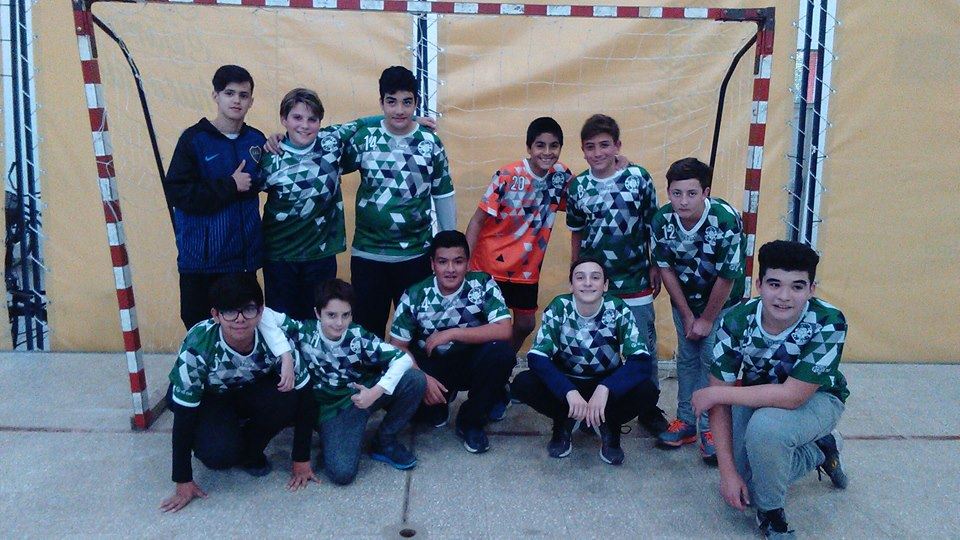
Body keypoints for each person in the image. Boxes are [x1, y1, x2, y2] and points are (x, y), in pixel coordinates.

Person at [692, 240, 849, 538]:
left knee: (766, 431)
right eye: (774, 284)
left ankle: (772, 515)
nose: (784, 296)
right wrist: (727, 474)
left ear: (811, 289)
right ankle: (821, 449)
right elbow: (719, 404)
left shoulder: (828, 321)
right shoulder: (736, 320)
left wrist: (717, 393)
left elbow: (793, 396)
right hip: (756, 397)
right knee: (746, 484)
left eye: (797, 287)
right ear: (759, 284)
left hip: (818, 398)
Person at [160, 273, 312, 513]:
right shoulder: (198, 345)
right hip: (210, 396)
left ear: (260, 312)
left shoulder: (278, 341)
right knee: (218, 456)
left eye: (248, 310)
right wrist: (182, 479)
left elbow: (305, 395)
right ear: (216, 315)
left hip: (249, 388)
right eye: (230, 311)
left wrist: (301, 459)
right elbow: (184, 415)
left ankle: (250, 450)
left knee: (288, 396)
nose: (240, 319)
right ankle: (218, 434)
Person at [261, 279, 426, 486]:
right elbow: (264, 313)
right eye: (331, 315)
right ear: (317, 313)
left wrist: (374, 392)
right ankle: (335, 435)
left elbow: (403, 359)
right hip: (331, 410)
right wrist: (285, 354)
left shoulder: (358, 336)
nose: (339, 323)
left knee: (415, 379)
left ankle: (384, 440)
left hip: (361, 394)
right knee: (342, 473)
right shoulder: (305, 332)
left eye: (345, 315)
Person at [565, 113, 667, 435]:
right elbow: (577, 232)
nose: (598, 153)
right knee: (595, 345)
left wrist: (655, 264)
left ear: (617, 146)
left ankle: (648, 408)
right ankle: (592, 409)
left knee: (643, 348)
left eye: (604, 145)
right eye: (590, 147)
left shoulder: (638, 178)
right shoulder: (579, 186)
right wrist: (576, 270)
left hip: (634, 278)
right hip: (595, 283)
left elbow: (652, 224)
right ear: (583, 150)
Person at [511, 257, 661, 465]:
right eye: (580, 278)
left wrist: (607, 387)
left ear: (605, 285)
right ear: (571, 285)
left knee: (648, 390)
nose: (588, 283)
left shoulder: (618, 308)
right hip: (568, 382)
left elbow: (641, 360)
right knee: (523, 383)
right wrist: (567, 391)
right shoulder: (559, 307)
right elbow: (537, 357)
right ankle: (564, 420)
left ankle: (609, 425)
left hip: (605, 384)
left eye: (595, 277)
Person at [344, 66, 456, 338]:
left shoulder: (430, 142)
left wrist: (449, 244)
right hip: (368, 254)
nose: (399, 110)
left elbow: (443, 192)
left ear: (416, 102)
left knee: (415, 334)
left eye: (407, 102)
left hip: (415, 256)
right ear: (381, 102)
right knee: (368, 335)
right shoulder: (365, 139)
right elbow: (325, 156)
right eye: (391, 102)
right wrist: (283, 140)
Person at [651, 157, 745, 463]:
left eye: (692, 193)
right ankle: (686, 421)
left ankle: (710, 428)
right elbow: (665, 269)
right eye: (676, 193)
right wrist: (688, 315)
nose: (683, 201)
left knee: (712, 361)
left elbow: (727, 276)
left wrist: (706, 319)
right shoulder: (662, 221)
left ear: (705, 192)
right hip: (685, 303)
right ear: (668, 192)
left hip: (721, 305)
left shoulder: (725, 219)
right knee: (687, 358)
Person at [388, 231, 515, 454]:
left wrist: (454, 333)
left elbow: (504, 329)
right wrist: (422, 379)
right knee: (407, 404)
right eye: (442, 262)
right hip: (433, 364)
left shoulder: (482, 283)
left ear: (468, 263)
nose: (450, 269)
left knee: (501, 353)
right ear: (432, 264)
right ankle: (441, 402)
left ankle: (471, 421)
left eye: (458, 261)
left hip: (471, 359)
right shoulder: (415, 294)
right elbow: (397, 345)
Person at [163, 65, 267, 329]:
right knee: (201, 331)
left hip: (243, 263)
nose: (236, 100)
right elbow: (178, 193)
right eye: (229, 93)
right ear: (215, 96)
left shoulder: (256, 140)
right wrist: (230, 185)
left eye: (243, 95)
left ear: (251, 101)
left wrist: (280, 140)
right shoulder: (194, 140)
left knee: (242, 332)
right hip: (201, 264)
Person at [259, 88, 376, 320]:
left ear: (320, 122)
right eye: (297, 117)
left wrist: (414, 120)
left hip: (321, 255)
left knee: (318, 321)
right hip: (280, 257)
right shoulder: (269, 157)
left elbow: (363, 123)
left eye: (312, 119)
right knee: (282, 323)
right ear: (283, 119)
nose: (305, 125)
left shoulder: (331, 142)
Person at [465, 117, 572, 353]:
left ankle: (503, 363)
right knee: (487, 325)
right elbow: (477, 221)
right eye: (540, 145)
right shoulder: (507, 175)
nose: (547, 152)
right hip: (490, 265)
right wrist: (465, 262)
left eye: (554, 146)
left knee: (525, 324)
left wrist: (618, 164)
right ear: (529, 147)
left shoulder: (561, 175)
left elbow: (584, 191)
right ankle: (481, 369)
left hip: (526, 268)